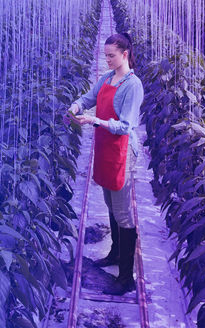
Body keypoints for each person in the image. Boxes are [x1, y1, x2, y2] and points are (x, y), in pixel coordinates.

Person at [63, 33, 144, 296]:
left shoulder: (133, 86)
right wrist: (76, 106)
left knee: (123, 213)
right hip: (106, 148)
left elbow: (125, 126)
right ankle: (114, 253)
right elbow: (90, 97)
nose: (107, 59)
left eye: (111, 55)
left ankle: (125, 277)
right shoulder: (108, 78)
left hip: (122, 151)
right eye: (105, 55)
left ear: (125, 54)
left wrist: (95, 121)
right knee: (110, 201)